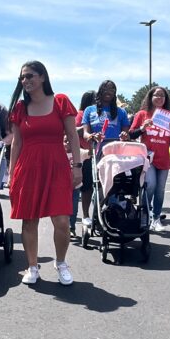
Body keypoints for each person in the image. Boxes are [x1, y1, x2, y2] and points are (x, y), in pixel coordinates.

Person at [8, 61, 82, 285]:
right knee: (29, 221)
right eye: (22, 78)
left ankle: (61, 263)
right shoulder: (20, 109)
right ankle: (32, 267)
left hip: (57, 166)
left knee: (61, 221)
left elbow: (73, 135)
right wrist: (11, 175)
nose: (25, 81)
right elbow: (16, 144)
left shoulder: (60, 101)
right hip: (28, 169)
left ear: (42, 77)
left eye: (30, 76)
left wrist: (77, 166)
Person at [128, 86, 170, 232]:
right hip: (147, 157)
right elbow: (131, 134)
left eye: (162, 96)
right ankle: (144, 216)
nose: (159, 98)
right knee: (151, 185)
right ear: (150, 97)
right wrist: (142, 128)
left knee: (160, 190)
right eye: (156, 95)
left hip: (164, 159)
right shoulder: (142, 114)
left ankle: (156, 218)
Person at [80, 80, 131, 156]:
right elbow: (85, 134)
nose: (109, 92)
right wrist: (93, 136)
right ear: (100, 91)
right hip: (96, 153)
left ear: (114, 93)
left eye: (112, 90)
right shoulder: (89, 110)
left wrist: (125, 136)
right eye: (105, 89)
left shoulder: (121, 112)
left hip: (116, 154)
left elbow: (127, 135)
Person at [72, 90, 96, 235]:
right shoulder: (80, 114)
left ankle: (89, 215)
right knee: (84, 189)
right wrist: (86, 130)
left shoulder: (99, 114)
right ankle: (81, 217)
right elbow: (73, 130)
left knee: (91, 188)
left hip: (94, 154)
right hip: (82, 154)